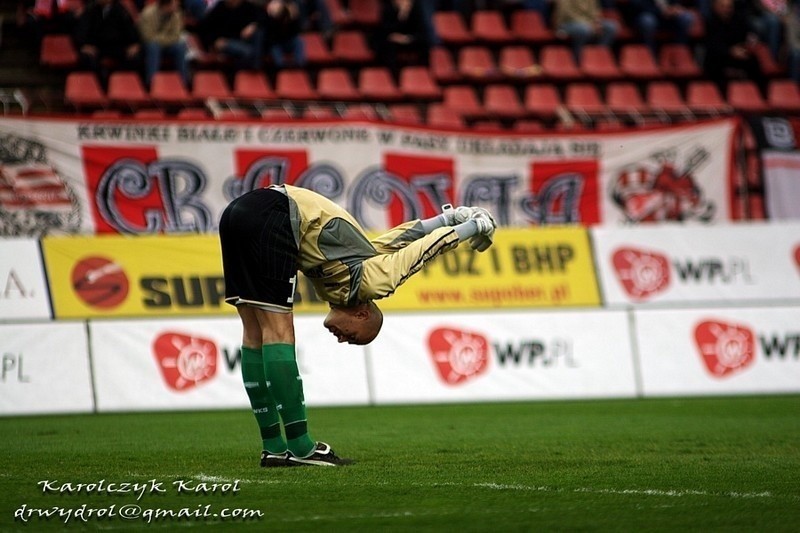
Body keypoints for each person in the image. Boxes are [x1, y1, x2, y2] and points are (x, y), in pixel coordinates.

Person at [218, 184, 496, 467]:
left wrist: (448, 217)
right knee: (279, 333)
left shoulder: (353, 264)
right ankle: (302, 448)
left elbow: (398, 238)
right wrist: (473, 226)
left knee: (254, 335)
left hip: (238, 213)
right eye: (353, 337)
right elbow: (422, 251)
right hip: (275, 214)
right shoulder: (373, 282)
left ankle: (273, 447)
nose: (341, 339)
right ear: (363, 314)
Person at [73, 0, 142, 81]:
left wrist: (134, 44)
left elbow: (130, 30)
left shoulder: (121, 10)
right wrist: (83, 45)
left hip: (118, 47)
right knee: (86, 58)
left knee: (136, 57)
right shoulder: (90, 10)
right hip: (97, 47)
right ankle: (98, 85)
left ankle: (122, 83)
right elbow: (81, 31)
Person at [703, 0, 763, 90]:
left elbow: (750, 34)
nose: (726, 9)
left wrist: (750, 42)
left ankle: (759, 92)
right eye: (723, 6)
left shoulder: (738, 19)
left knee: (753, 61)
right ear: (715, 7)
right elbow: (712, 45)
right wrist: (730, 51)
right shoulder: (710, 22)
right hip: (719, 57)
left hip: (739, 53)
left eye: (729, 7)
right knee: (715, 63)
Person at [197, 0, 264, 70]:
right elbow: (204, 28)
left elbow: (263, 18)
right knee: (248, 52)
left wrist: (254, 25)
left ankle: (255, 68)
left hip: (242, 42)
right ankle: (251, 69)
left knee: (258, 33)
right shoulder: (220, 8)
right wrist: (214, 42)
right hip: (226, 42)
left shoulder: (248, 7)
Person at [137, 0, 191, 87]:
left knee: (180, 47)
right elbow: (147, 37)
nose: (177, 6)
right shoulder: (148, 14)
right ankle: (151, 83)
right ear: (166, 5)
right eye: (175, 4)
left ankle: (184, 83)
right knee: (153, 47)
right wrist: (166, 38)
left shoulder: (177, 14)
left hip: (167, 45)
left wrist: (159, 38)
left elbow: (176, 36)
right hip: (147, 46)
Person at [375, 0, 433, 73]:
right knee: (388, 46)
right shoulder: (388, 7)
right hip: (392, 39)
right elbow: (385, 29)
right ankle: (394, 76)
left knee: (425, 43)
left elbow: (421, 30)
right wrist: (401, 15)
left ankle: (424, 73)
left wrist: (407, 38)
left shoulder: (416, 7)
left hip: (408, 38)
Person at [624, 0, 697, 57]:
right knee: (647, 21)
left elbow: (675, 3)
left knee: (687, 17)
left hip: (668, 19)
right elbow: (636, 6)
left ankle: (680, 54)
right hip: (647, 16)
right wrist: (662, 12)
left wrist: (677, 9)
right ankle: (650, 55)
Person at [554, 0, 619, 61]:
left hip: (588, 23)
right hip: (567, 23)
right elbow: (568, 15)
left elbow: (595, 12)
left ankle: (598, 55)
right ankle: (577, 58)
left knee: (611, 27)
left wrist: (597, 22)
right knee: (583, 29)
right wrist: (588, 24)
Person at [261, 0, 305, 69]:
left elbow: (296, 31)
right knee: (274, 48)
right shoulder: (268, 13)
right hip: (275, 42)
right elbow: (268, 33)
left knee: (298, 41)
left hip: (287, 41)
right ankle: (281, 68)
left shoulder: (289, 13)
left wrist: (293, 18)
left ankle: (300, 66)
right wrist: (274, 17)